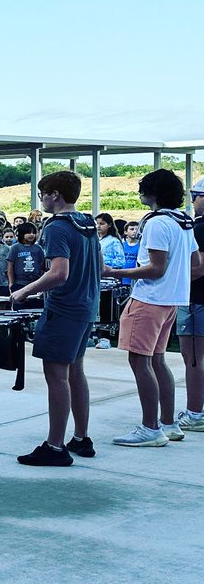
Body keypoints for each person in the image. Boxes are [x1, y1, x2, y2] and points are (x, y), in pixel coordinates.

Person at [105, 169, 202, 445]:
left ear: (153, 193)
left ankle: (150, 427)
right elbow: (195, 264)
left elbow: (155, 268)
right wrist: (176, 281)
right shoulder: (183, 221)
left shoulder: (157, 223)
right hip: (171, 300)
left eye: (143, 189)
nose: (140, 194)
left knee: (140, 361)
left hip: (149, 299)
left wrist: (114, 272)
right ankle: (168, 423)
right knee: (157, 360)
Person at [11, 171, 102, 466]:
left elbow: (59, 273)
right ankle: (81, 438)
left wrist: (24, 291)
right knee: (76, 372)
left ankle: (54, 446)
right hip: (87, 306)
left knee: (57, 377)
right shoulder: (87, 223)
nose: (41, 200)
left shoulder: (57, 227)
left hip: (63, 308)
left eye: (42, 195)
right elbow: (100, 266)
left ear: (55, 195)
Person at [175, 179, 204, 432]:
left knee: (193, 358)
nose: (193, 201)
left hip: (196, 299)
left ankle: (195, 412)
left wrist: (172, 281)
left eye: (196, 196)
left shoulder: (200, 228)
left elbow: (198, 268)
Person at [6, 222, 44, 304]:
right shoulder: (15, 248)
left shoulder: (38, 248)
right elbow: (10, 265)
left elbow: (41, 265)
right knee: (19, 305)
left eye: (33, 233)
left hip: (35, 283)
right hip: (19, 283)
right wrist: (11, 283)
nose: (32, 235)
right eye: (29, 232)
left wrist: (40, 281)